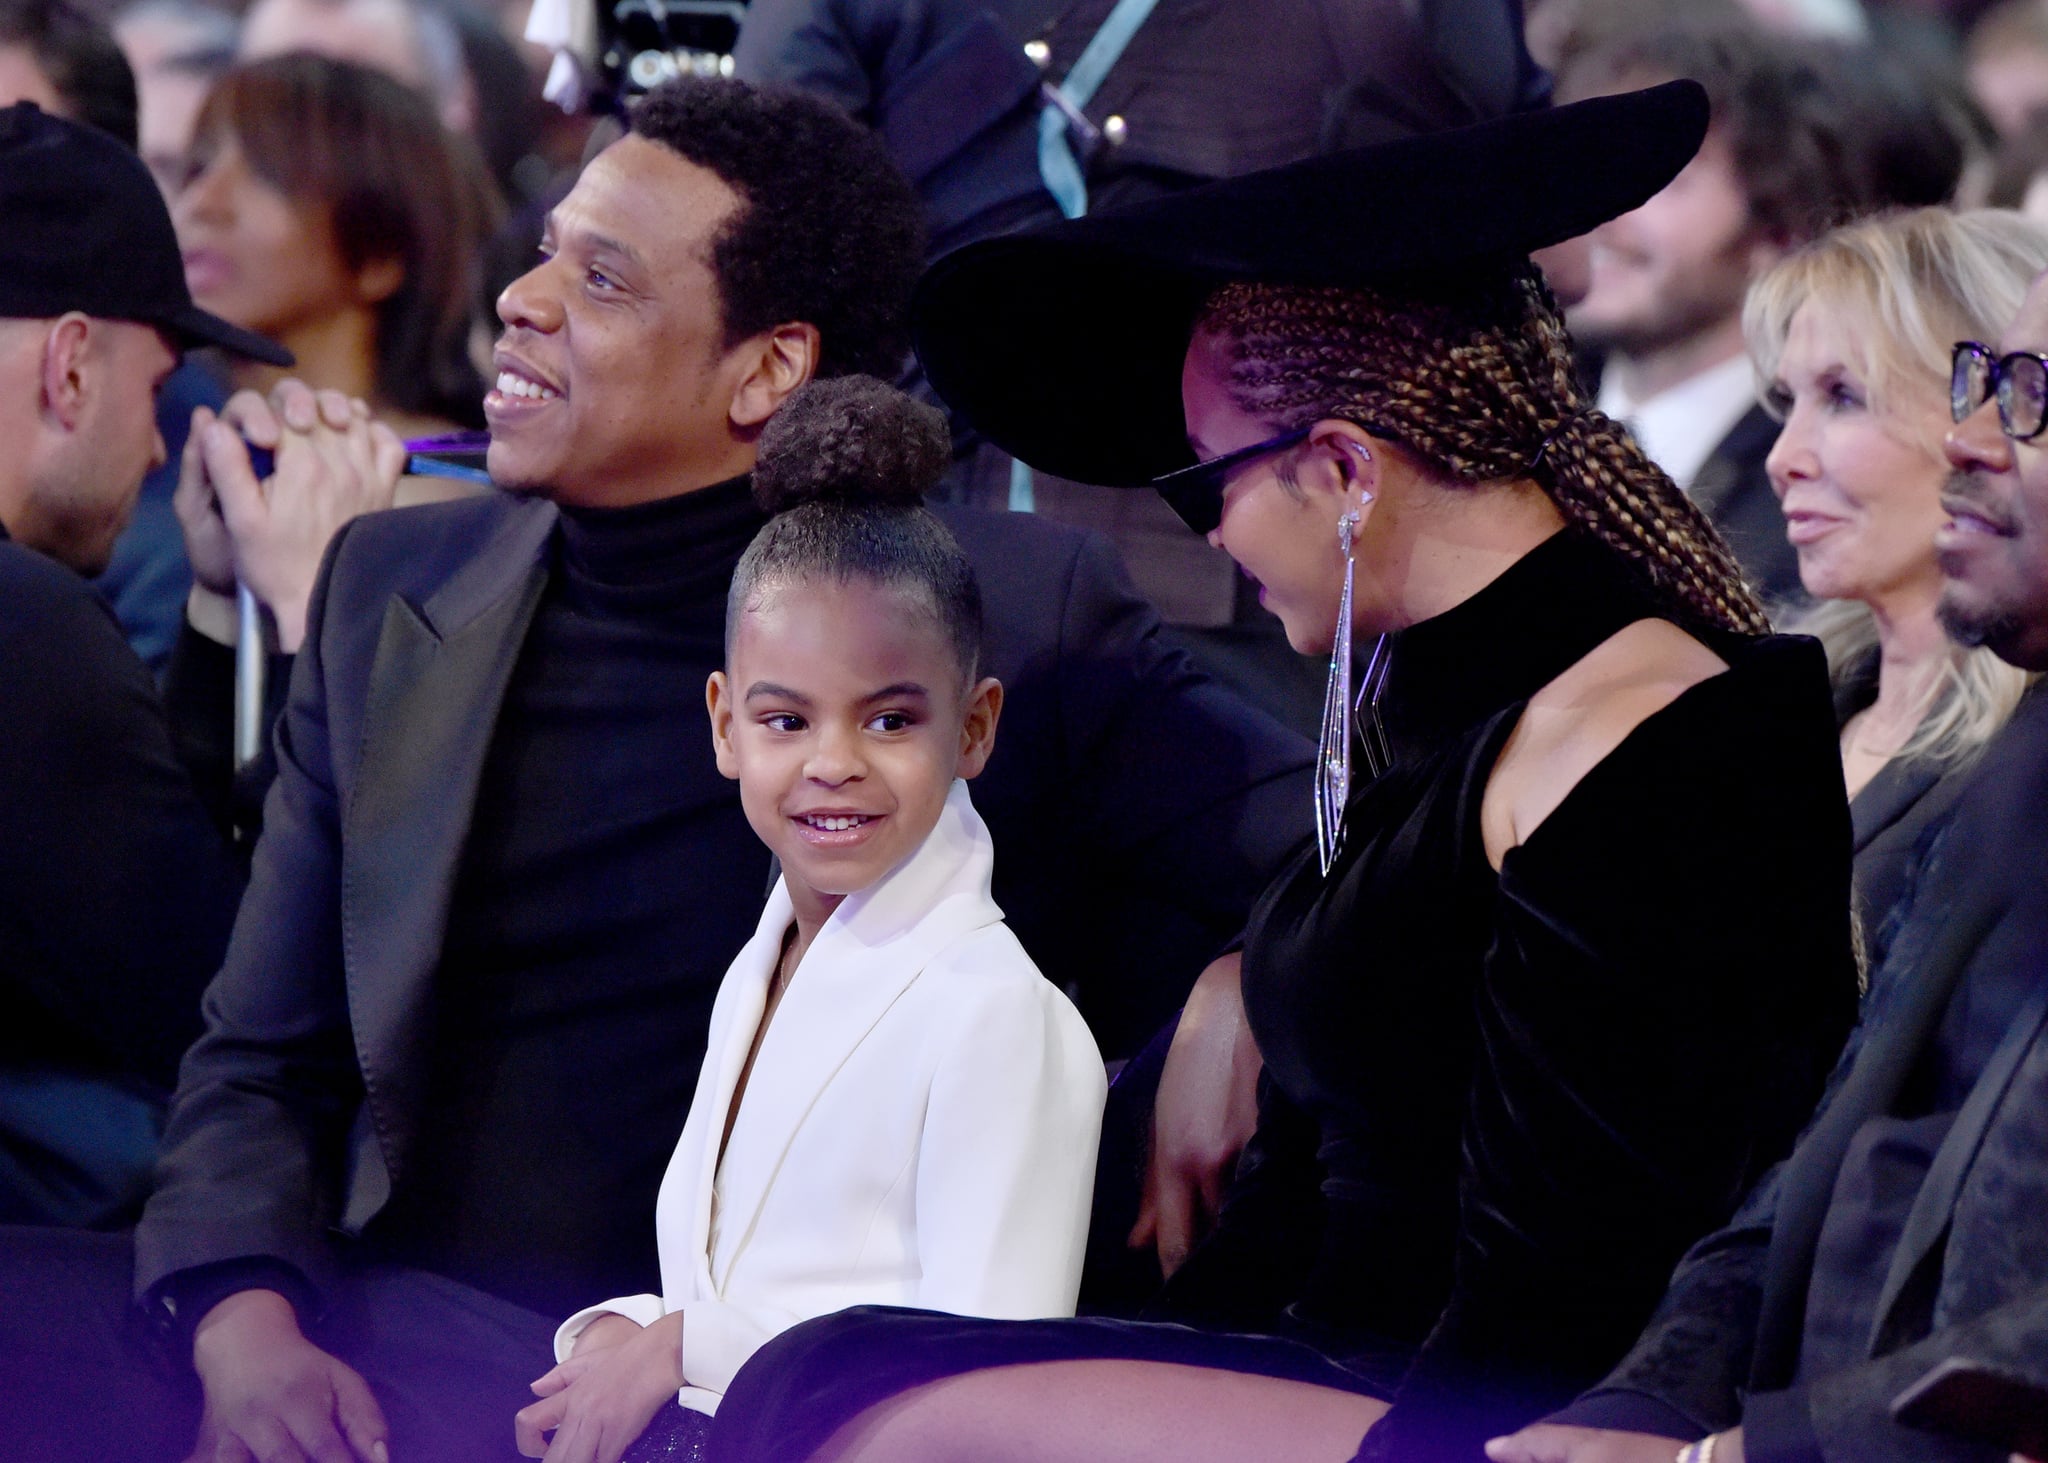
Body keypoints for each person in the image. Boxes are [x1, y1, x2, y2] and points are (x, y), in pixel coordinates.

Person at [0, 74, 1306, 1463]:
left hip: (740, 1382)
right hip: (382, 1330)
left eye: (604, 279)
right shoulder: (393, 587)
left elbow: (1335, 843)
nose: (524, 294)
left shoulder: (1002, 607)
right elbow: (259, 1051)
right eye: (549, 247)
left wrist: (1247, 981)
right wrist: (240, 1322)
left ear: (765, 371)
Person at [704, 80, 1859, 1463]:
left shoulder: (1638, 725)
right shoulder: (1419, 696)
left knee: (853, 1406)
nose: (1207, 533)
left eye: (1207, 486)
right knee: (819, 1372)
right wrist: (1238, 977)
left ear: (1343, 469)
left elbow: (1575, 1281)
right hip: (1338, 1346)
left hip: (1492, 1409)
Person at [1487, 257, 2048, 1463]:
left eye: (1842, 396)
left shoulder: (1987, 766)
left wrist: (1717, 1452)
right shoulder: (1816, 720)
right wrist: (1637, 1406)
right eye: (1981, 385)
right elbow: (1823, 1164)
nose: (1973, 439)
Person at [511, 376, 1106, 1462]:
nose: (833, 761)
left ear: (973, 727)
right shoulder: (761, 962)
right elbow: (757, 1277)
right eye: (785, 717)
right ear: (724, 723)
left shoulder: (998, 1016)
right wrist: (631, 1327)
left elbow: (984, 1393)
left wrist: (690, 1340)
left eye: (888, 716)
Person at [0, 101, 390, 1229]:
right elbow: (244, 1017)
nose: (164, 439)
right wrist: (323, 610)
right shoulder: (26, 630)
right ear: (73, 367)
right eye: (157, 381)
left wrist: (221, 610)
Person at [1561, 21, 1970, 607]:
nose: (1603, 210)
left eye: (1658, 177)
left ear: (1778, 225)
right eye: (1588, 165)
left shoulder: (1819, 488)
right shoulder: (1514, 421)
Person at [1745, 206, 2042, 961]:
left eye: (1843, 397)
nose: (1784, 457)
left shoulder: (2023, 766)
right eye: (1789, 402)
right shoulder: (1772, 707)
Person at [175, 52, 500, 442]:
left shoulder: (436, 489)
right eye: (199, 166)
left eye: (266, 173)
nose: (201, 202)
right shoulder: (158, 447)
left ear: (381, 254)